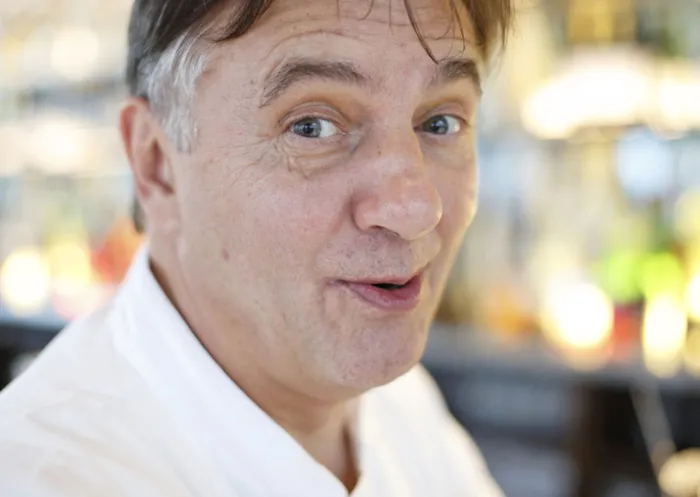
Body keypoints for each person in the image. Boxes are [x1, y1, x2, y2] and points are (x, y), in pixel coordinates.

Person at [0, 0, 513, 495]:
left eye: (440, 123)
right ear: (157, 163)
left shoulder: (401, 406)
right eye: (311, 127)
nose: (416, 209)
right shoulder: (44, 478)